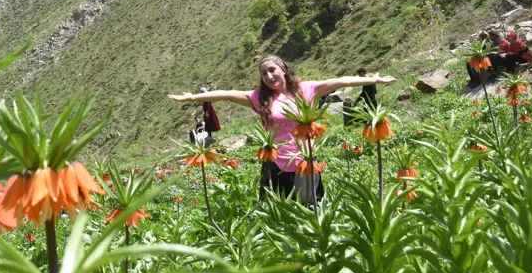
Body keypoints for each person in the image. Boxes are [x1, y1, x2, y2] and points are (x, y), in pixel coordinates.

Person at [169, 55, 396, 203]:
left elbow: (340, 81)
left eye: (272, 70)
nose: (268, 76)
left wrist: (373, 80)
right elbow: (225, 94)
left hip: (305, 160)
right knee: (278, 209)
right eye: (264, 74)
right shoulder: (258, 98)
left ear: (283, 69)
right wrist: (192, 97)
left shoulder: (306, 89)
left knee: (311, 207)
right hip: (275, 162)